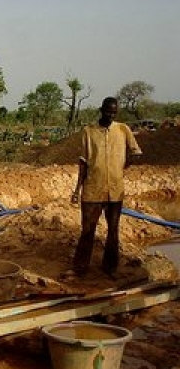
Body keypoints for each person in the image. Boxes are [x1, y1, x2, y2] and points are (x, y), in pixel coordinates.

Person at [70, 97, 142, 278]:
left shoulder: (123, 130)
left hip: (115, 191)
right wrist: (77, 190)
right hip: (93, 189)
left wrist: (121, 167)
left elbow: (136, 151)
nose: (111, 115)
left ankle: (110, 267)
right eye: (108, 111)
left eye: (114, 112)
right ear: (101, 110)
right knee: (87, 230)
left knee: (113, 231)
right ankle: (80, 268)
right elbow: (83, 162)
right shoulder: (89, 132)